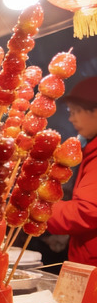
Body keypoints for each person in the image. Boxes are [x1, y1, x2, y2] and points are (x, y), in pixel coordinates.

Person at [47, 76, 97, 267]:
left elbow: (88, 211)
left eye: (76, 111)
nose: (71, 118)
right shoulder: (89, 147)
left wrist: (40, 210)